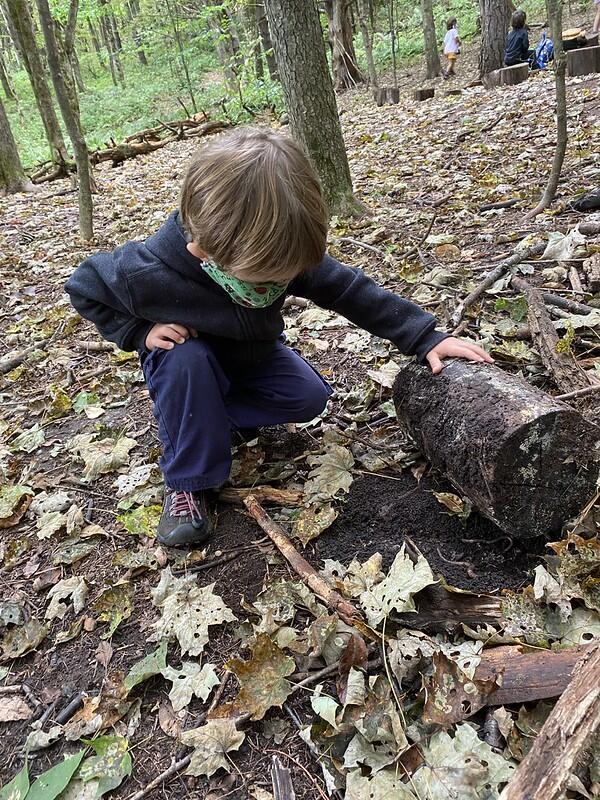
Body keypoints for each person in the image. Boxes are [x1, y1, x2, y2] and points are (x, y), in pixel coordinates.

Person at [65, 128, 492, 548]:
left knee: (308, 397)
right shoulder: (143, 271)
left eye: (284, 277)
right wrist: (139, 331)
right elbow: (85, 288)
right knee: (186, 359)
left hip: (252, 355)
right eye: (266, 279)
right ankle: (188, 484)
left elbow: (348, 289)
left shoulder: (280, 246)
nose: (278, 284)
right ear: (207, 248)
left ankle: (211, 417)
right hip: (184, 361)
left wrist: (423, 336)